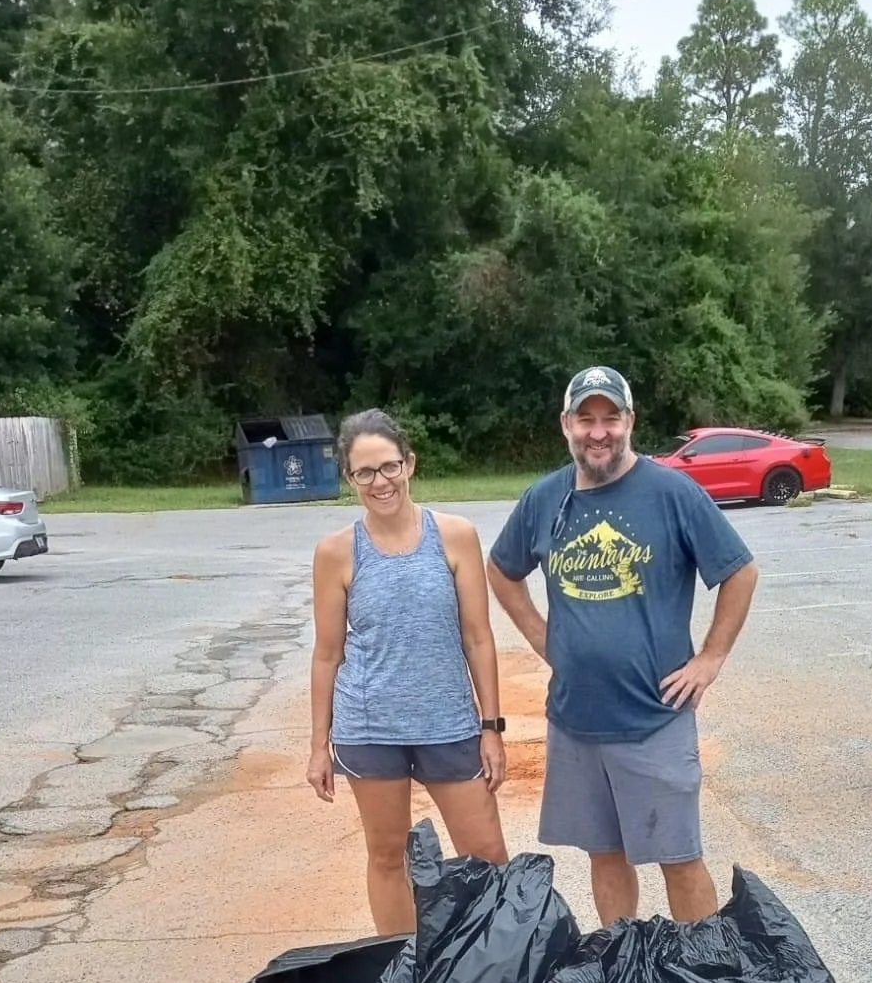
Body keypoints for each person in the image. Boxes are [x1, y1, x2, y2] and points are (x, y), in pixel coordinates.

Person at [487, 367, 758, 925]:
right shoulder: (544, 498)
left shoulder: (671, 492)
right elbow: (502, 568)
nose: (598, 431)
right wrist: (542, 636)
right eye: (585, 418)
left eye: (610, 418)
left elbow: (740, 571)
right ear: (566, 424)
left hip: (654, 717)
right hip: (576, 720)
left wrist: (710, 658)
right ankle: (621, 960)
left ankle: (700, 966)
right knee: (605, 856)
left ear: (630, 421)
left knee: (679, 858)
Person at [308, 408, 508, 935]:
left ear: (410, 464)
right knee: (387, 856)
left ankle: (501, 967)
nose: (381, 482)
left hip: (449, 724)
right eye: (365, 472)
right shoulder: (336, 552)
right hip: (370, 729)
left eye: (389, 467)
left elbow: (478, 637)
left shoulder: (455, 536)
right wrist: (318, 746)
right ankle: (400, 968)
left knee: (487, 856)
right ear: (349, 478)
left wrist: (491, 728)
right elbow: (327, 654)